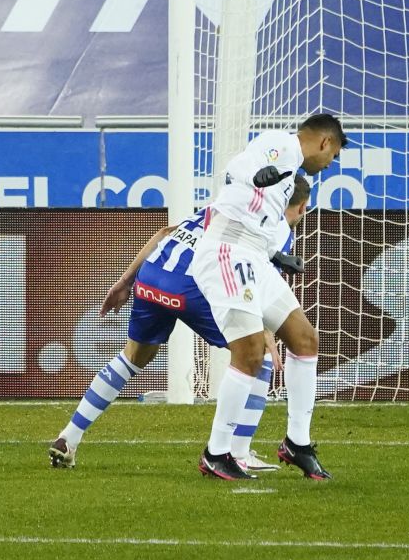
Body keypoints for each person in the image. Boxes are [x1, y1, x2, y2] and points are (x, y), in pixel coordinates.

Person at [48, 176, 312, 471]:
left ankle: (68, 437)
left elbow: (164, 232)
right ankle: (238, 453)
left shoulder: (226, 205)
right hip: (191, 285)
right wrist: (265, 335)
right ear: (302, 207)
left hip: (152, 275)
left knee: (132, 357)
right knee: (258, 356)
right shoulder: (273, 227)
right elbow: (249, 282)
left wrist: (126, 281)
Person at [191, 114, 346, 481]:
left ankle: (297, 443)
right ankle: (216, 453)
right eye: (334, 155)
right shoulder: (282, 146)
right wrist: (256, 175)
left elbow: (254, 208)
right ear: (325, 142)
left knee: (305, 340)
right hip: (227, 250)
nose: (330, 164)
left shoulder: (288, 172)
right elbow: (240, 166)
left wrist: (276, 255)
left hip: (255, 255)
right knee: (249, 353)